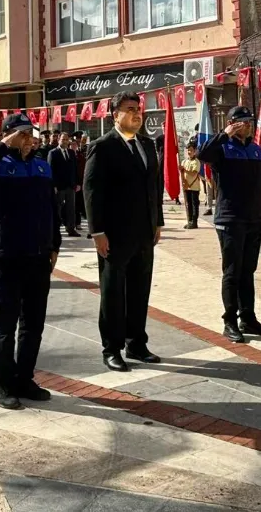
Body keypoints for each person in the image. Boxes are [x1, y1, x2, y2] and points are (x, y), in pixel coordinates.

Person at [0, 113, 61, 410]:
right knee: (6, 326)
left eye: (30, 134)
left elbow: (51, 208)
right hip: (8, 257)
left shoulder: (42, 165)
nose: (28, 139)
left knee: (33, 325)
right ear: (8, 135)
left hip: (38, 256)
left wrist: (54, 244)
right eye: (21, 134)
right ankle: (5, 385)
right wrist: (0, 146)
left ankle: (25, 379)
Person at [83, 92, 163, 371]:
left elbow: (154, 185)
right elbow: (92, 191)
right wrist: (97, 232)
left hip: (144, 232)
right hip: (114, 235)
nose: (136, 113)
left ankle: (136, 343)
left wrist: (158, 222)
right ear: (115, 114)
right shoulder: (102, 146)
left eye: (138, 109)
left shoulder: (147, 145)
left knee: (140, 291)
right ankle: (112, 348)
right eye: (130, 109)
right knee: (113, 292)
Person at [198, 105, 261, 344]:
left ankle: (248, 318)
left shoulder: (256, 150)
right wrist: (225, 133)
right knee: (231, 272)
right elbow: (202, 154)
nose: (248, 125)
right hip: (230, 219)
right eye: (242, 121)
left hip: (253, 218)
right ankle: (229, 321)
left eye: (249, 121)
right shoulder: (221, 148)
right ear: (232, 123)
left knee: (247, 271)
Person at [47, 132, 81, 238]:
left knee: (71, 208)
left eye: (66, 139)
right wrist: (53, 185)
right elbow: (50, 170)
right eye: (63, 139)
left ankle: (71, 228)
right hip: (59, 186)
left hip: (70, 185)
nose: (65, 141)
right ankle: (55, 230)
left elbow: (75, 169)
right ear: (59, 140)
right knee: (58, 208)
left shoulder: (71, 152)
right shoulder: (53, 153)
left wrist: (77, 183)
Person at [180, 140, 203, 230]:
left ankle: (194, 222)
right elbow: (182, 173)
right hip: (186, 186)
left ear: (195, 151)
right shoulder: (184, 162)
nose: (189, 152)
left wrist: (184, 170)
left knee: (194, 205)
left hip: (194, 187)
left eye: (191, 150)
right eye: (188, 150)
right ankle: (189, 221)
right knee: (188, 204)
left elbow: (193, 173)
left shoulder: (196, 162)